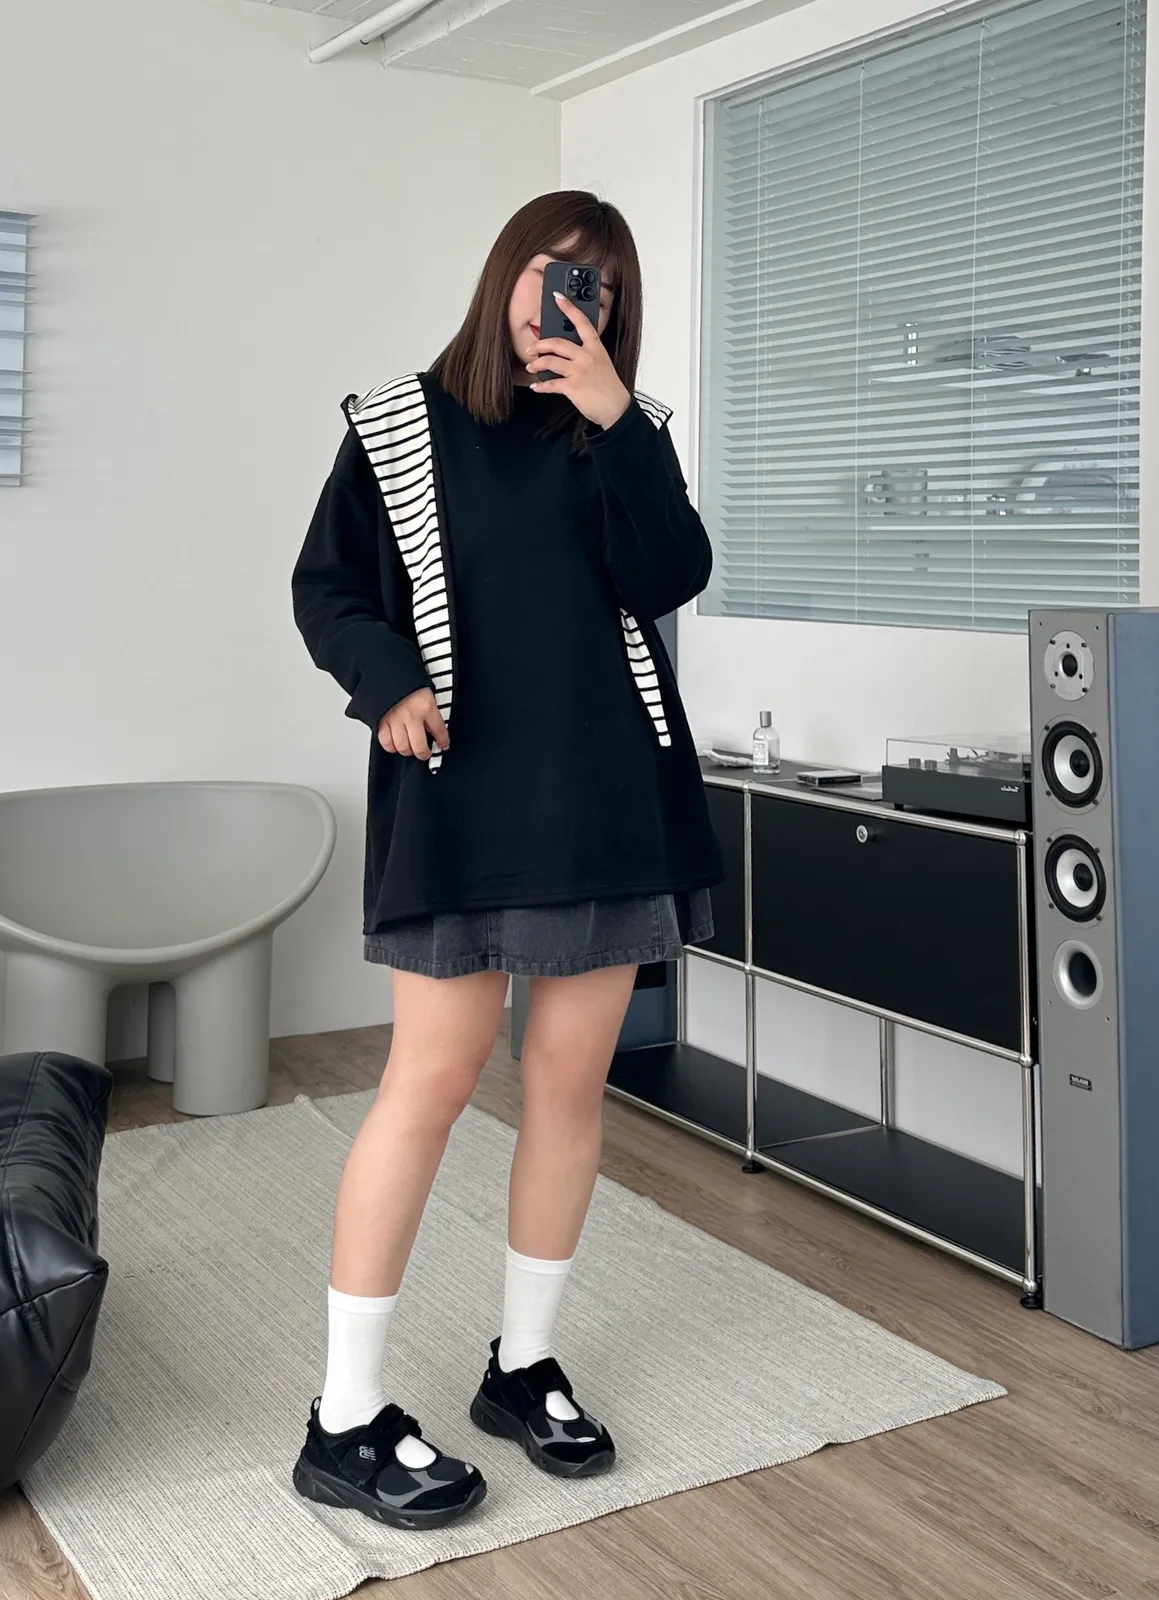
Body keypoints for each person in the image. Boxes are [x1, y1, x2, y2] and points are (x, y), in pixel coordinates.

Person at [289, 190, 722, 1530]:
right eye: (556, 272)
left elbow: (671, 576)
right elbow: (327, 589)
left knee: (569, 1086)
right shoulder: (398, 423)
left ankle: (522, 1367)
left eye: (602, 286)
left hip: (607, 806)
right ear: (505, 277)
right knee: (425, 1085)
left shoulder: (626, 433)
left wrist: (614, 419)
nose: (575, 303)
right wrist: (386, 685)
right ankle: (344, 1417)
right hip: (460, 801)